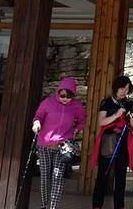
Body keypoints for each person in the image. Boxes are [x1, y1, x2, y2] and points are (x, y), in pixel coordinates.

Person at [32, 77, 86, 209]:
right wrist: (36, 123)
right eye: (62, 95)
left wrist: (76, 129)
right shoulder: (47, 103)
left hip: (62, 146)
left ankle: (53, 207)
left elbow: (82, 120)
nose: (65, 99)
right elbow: (38, 116)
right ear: (58, 92)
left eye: (69, 96)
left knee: (57, 176)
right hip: (44, 145)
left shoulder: (76, 106)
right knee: (45, 176)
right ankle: (44, 205)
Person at [90, 75, 133, 209]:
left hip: (123, 142)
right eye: (122, 88)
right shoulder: (106, 102)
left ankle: (119, 206)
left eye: (127, 89)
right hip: (109, 142)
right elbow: (101, 121)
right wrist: (116, 115)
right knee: (102, 175)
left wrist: (132, 120)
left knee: (121, 177)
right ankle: (97, 205)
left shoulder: (130, 104)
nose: (124, 91)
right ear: (116, 88)